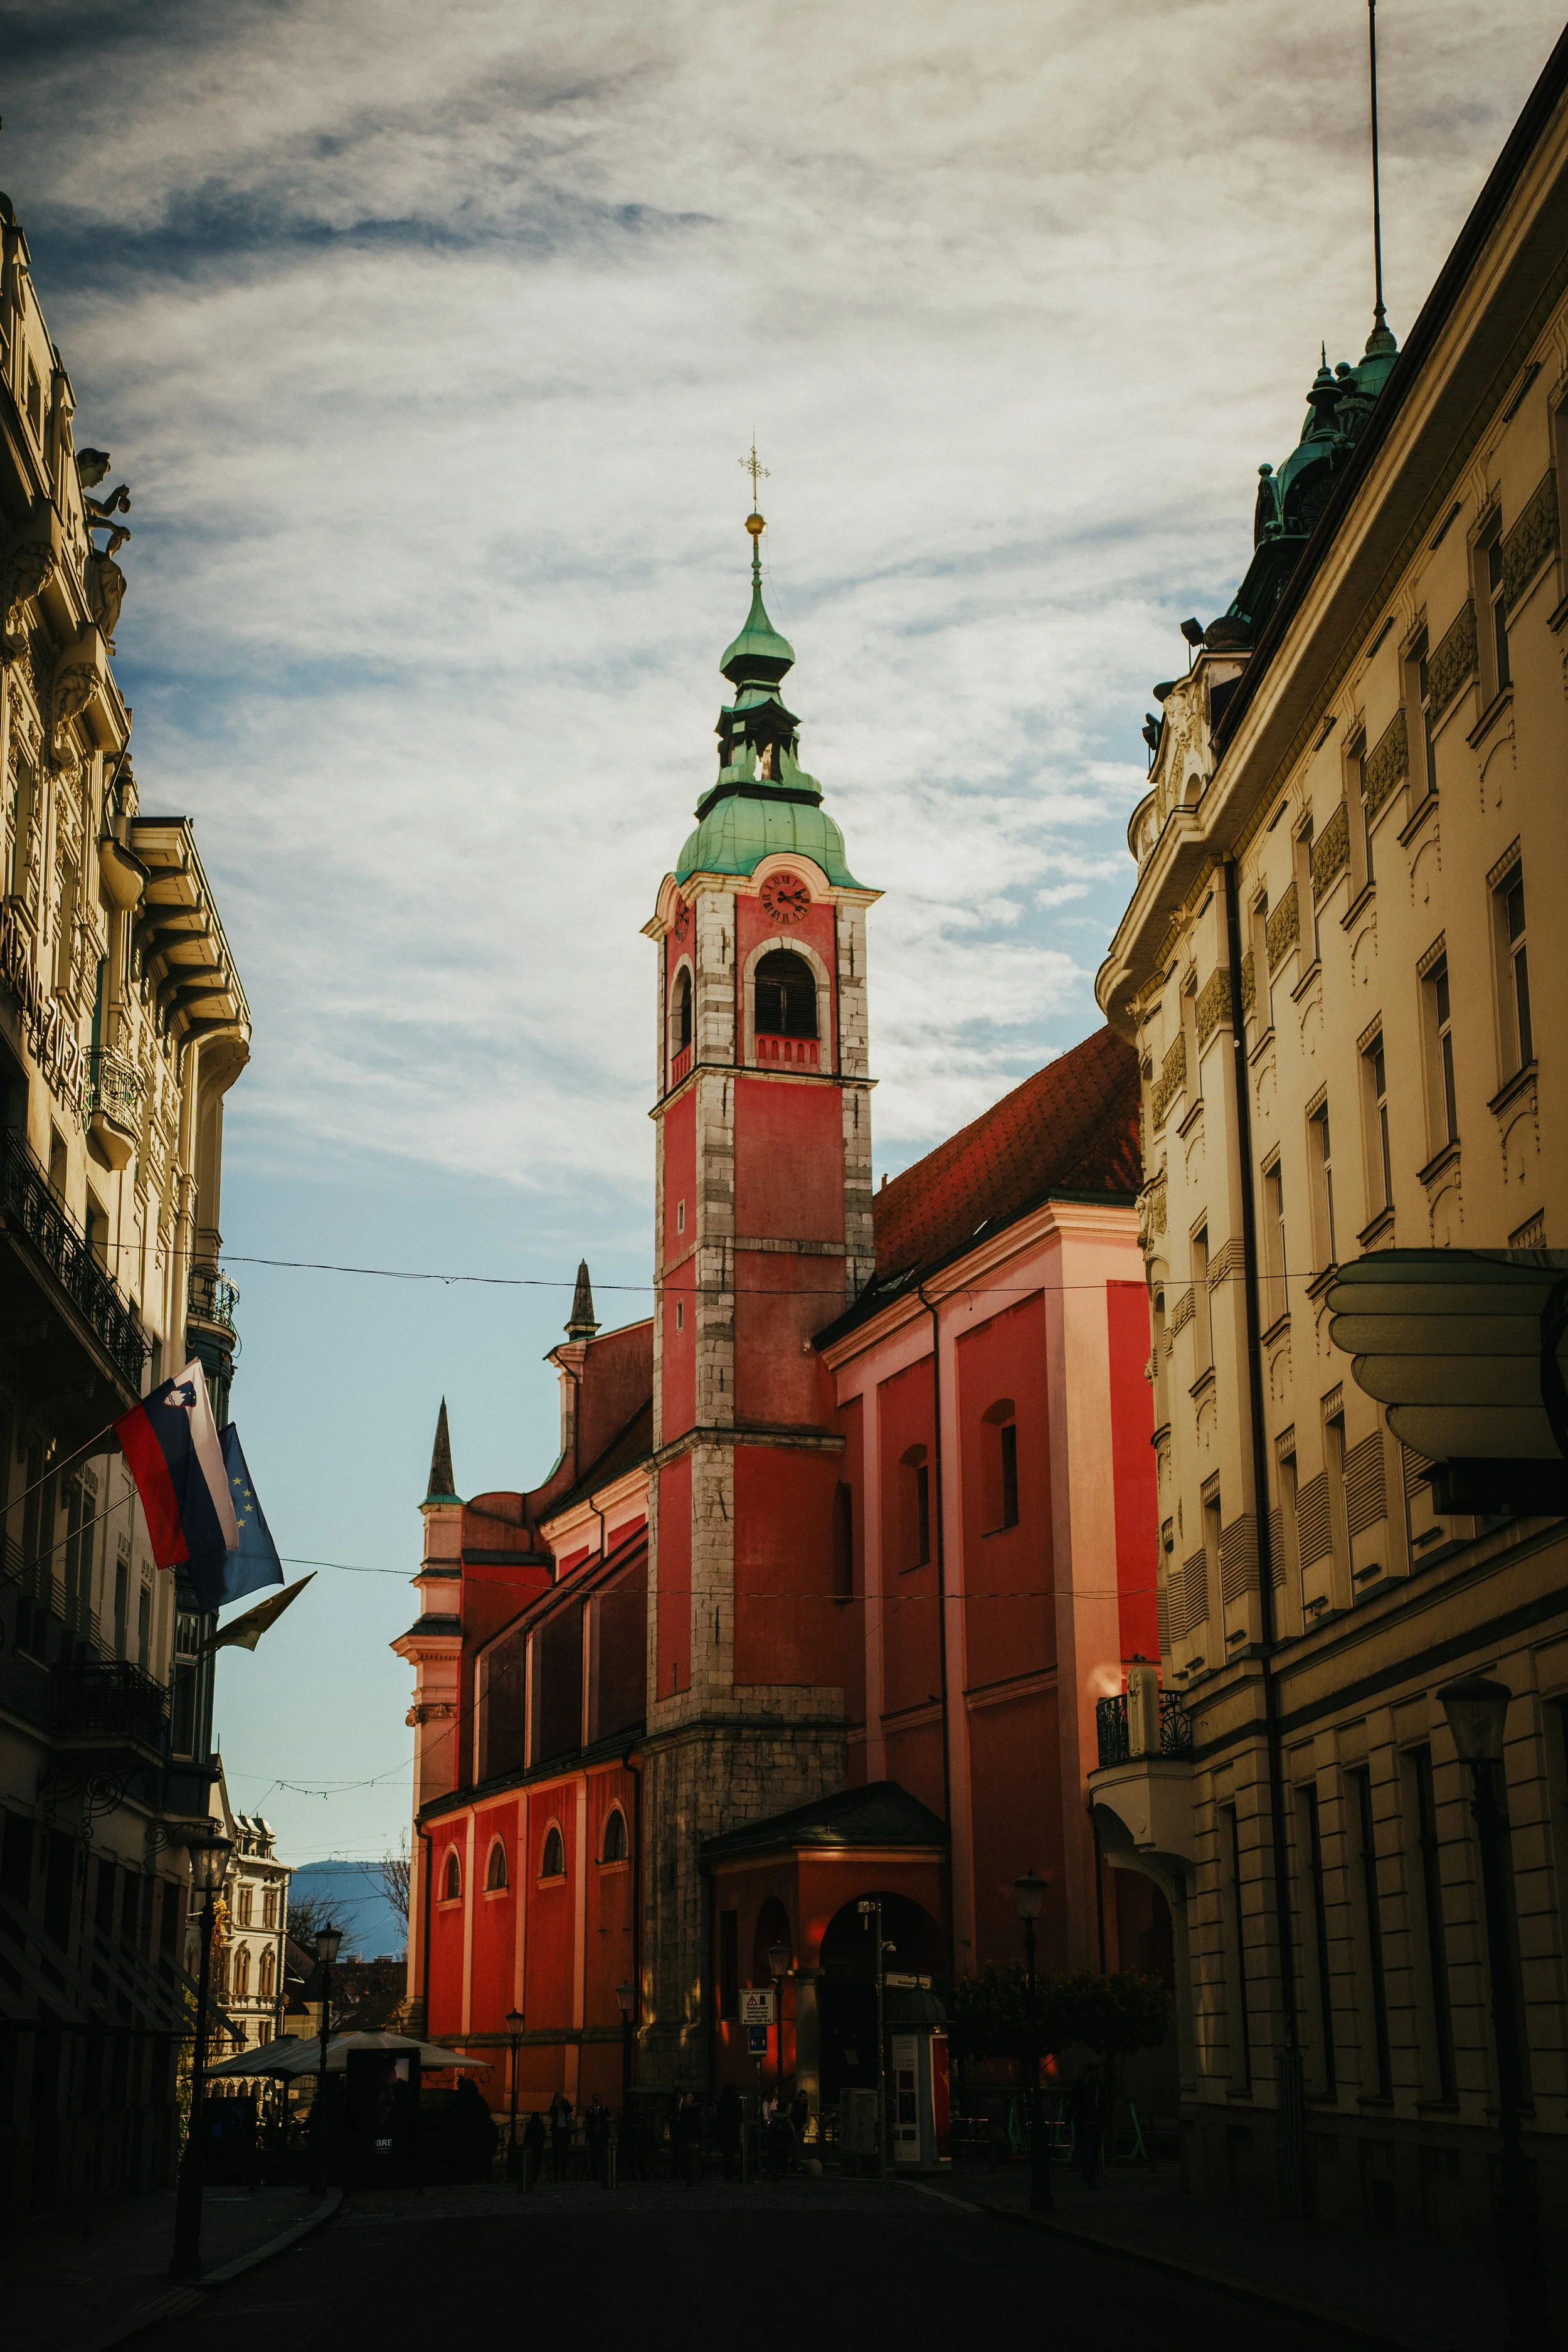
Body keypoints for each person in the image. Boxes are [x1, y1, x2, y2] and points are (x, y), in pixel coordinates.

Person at [1066, 2062, 1109, 2188]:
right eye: (1097, 2072)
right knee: (1086, 2151)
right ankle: (1089, 2176)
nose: (1099, 2075)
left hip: (1095, 2124)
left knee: (1094, 2151)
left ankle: (1089, 2175)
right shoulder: (1080, 2087)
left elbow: (1103, 2107)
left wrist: (1103, 2123)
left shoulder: (1098, 2088)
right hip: (1083, 2124)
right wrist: (1068, 2121)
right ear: (1089, 2073)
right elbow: (1073, 2104)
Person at [716, 2082, 743, 2180]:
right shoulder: (734, 2102)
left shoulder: (723, 2101)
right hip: (732, 2130)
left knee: (726, 2153)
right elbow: (739, 2116)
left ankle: (727, 2173)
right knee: (730, 2153)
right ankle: (730, 2173)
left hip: (725, 2130)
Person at [585, 2092, 610, 2185]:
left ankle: (604, 2176)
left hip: (602, 2136)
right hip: (593, 2136)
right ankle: (594, 2176)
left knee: (603, 2157)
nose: (596, 2103)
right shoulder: (591, 2110)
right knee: (593, 2157)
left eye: (597, 2100)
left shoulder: (603, 2109)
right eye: (595, 2101)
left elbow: (607, 2116)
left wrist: (602, 2107)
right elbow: (587, 2117)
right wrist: (591, 2110)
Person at [548, 2088, 573, 2183]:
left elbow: (571, 2109)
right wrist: (556, 2106)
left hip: (564, 2131)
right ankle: (556, 2176)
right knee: (556, 2155)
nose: (559, 2099)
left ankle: (562, 2176)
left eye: (560, 2097)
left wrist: (565, 2101)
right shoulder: (554, 2107)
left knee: (564, 2155)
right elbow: (551, 2114)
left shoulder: (565, 2106)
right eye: (558, 2097)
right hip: (557, 2131)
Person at [522, 2106, 546, 2190]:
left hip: (532, 2147)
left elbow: (526, 2136)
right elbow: (544, 2136)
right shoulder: (541, 2125)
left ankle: (531, 2179)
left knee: (531, 2164)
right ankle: (535, 2179)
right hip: (538, 2147)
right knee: (537, 2164)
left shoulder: (530, 2125)